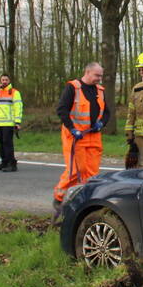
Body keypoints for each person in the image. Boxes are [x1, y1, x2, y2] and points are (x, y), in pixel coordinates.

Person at [53, 62, 109, 211]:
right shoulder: (73, 87)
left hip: (94, 137)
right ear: (88, 72)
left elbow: (107, 113)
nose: (99, 78)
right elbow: (62, 110)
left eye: (101, 76)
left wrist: (101, 123)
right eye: (97, 75)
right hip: (75, 137)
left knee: (92, 173)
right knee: (74, 171)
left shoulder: (100, 91)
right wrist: (72, 128)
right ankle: (59, 197)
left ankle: (85, 201)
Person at [0, 73, 23, 172]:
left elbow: (18, 107)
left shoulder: (14, 92)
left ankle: (12, 164)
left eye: (6, 80)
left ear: (9, 81)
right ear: (0, 81)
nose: (4, 82)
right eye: (2, 80)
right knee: (1, 143)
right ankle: (4, 162)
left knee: (8, 143)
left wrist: (17, 122)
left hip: (8, 122)